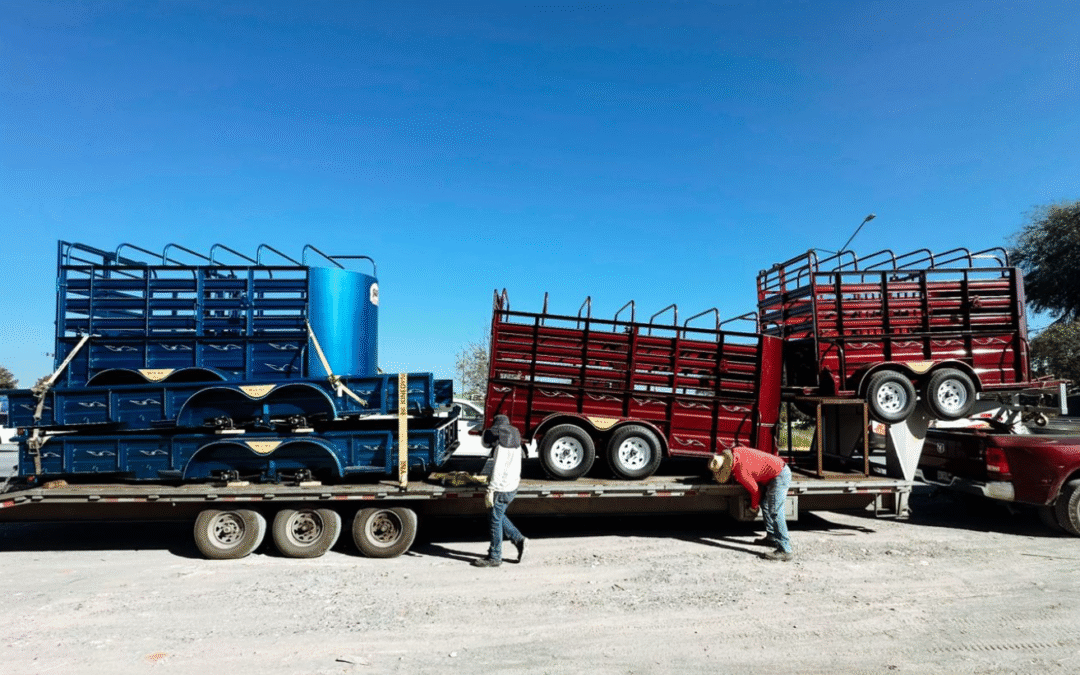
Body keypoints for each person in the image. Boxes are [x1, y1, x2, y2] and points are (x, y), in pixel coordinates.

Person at [710, 445, 793, 562]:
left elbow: (755, 491)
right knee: (765, 504)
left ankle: (785, 549)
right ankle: (771, 537)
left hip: (779, 475)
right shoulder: (737, 451)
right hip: (775, 472)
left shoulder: (740, 472)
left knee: (775, 511)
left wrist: (753, 507)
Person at [471, 414, 528, 567]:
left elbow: (498, 469)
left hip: (502, 488)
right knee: (497, 515)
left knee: (494, 521)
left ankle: (495, 557)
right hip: (512, 485)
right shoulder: (516, 443)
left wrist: (490, 489)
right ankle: (518, 539)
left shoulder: (502, 448)